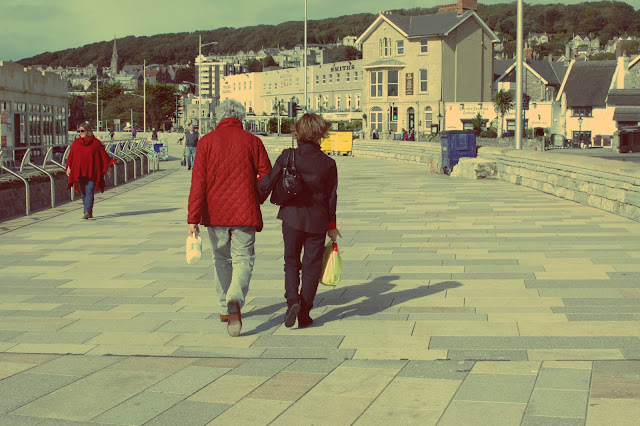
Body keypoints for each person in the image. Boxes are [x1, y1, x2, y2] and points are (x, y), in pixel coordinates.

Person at [187, 99, 272, 337]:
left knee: (221, 259)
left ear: (219, 116)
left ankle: (225, 308)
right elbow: (267, 175)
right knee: (243, 258)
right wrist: (255, 196)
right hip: (245, 211)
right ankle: (235, 297)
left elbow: (198, 182)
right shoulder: (253, 141)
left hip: (215, 213)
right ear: (241, 117)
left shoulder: (206, 142)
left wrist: (193, 218)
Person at [258, 113, 341, 329]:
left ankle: (292, 300)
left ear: (298, 133)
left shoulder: (288, 156)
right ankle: (304, 313)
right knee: (312, 267)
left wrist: (250, 197)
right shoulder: (329, 163)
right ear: (320, 134)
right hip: (317, 221)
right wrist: (332, 227)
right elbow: (331, 197)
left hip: (291, 218)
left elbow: (266, 183)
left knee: (291, 261)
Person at [66, 122, 117, 220]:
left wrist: (107, 168)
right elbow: (71, 156)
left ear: (88, 131)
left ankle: (87, 212)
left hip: (92, 172)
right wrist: (68, 167)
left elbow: (103, 156)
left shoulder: (96, 143)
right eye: (79, 131)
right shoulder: (76, 143)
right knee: (83, 192)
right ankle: (88, 210)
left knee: (89, 191)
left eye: (82, 131)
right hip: (80, 172)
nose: (80, 133)